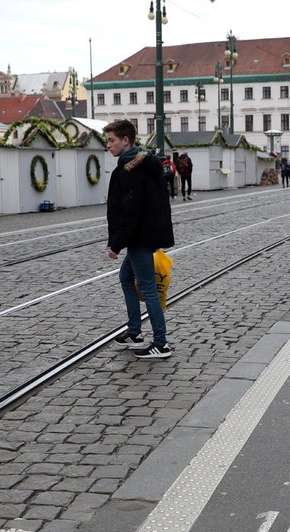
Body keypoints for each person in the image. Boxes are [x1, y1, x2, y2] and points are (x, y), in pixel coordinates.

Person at [104, 119, 174, 359]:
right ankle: (134, 332)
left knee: (147, 288)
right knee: (126, 277)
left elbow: (130, 211)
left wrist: (116, 242)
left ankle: (161, 343)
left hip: (140, 236)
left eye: (112, 140)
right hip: (144, 234)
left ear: (126, 140)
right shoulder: (139, 165)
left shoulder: (132, 170)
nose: (108, 145)